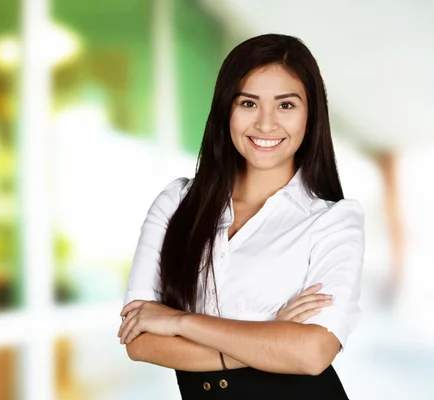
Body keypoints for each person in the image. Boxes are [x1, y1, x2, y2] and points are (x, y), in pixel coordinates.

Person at [117, 33, 365, 399]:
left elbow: (311, 354)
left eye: (286, 106)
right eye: (249, 103)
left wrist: (180, 322)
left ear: (311, 117)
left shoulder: (334, 220)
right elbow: (139, 341)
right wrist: (271, 333)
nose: (266, 124)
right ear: (225, 110)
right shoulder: (176, 204)